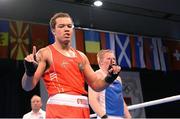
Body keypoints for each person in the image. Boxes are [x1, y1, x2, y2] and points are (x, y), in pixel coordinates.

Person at [21, 12, 121, 118]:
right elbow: (28, 86)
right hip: (59, 109)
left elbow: (96, 85)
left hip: (82, 110)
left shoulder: (81, 57)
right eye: (61, 26)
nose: (66, 29)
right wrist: (29, 72)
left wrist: (110, 77)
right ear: (53, 30)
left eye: (69, 26)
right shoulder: (45, 53)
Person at [88, 49, 132, 119]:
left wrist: (129, 117)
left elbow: (121, 100)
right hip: (106, 115)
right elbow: (92, 100)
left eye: (114, 58)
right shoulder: (97, 75)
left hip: (120, 116)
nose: (112, 61)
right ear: (101, 62)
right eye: (108, 58)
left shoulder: (118, 78)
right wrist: (104, 117)